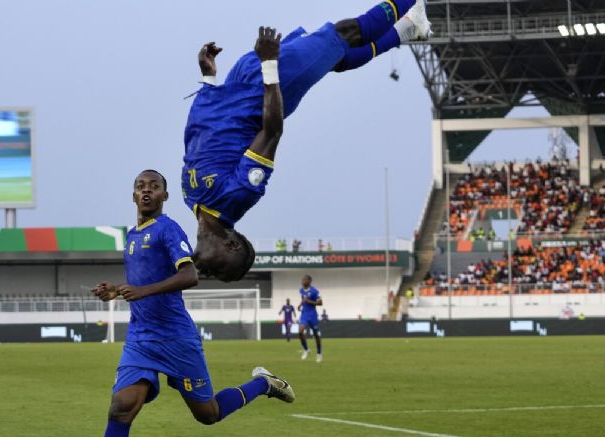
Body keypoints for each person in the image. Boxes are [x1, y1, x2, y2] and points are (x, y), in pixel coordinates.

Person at [183, 2, 431, 282]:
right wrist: (269, 65)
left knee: (332, 56)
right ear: (231, 245)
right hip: (261, 94)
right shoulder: (238, 197)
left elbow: (201, 133)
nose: (206, 272)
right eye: (218, 269)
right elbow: (271, 131)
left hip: (233, 83)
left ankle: (407, 30)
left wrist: (209, 77)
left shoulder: (190, 198)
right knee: (344, 33)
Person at [91, 170, 294, 437]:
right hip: (141, 338)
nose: (146, 191)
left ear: (164, 196)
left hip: (176, 339)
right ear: (133, 195)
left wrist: (141, 292)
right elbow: (143, 280)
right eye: (140, 187)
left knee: (208, 414)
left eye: (154, 187)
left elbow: (189, 276)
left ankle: (264, 384)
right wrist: (117, 290)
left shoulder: (168, 230)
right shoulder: (131, 236)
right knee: (121, 408)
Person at [297, 275, 323, 362]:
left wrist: (309, 301)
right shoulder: (301, 290)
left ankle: (319, 353)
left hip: (312, 315)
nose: (302, 281)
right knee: (300, 331)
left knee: (316, 334)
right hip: (304, 314)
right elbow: (303, 299)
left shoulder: (314, 291)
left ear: (309, 281)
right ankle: (306, 349)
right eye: (302, 279)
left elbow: (320, 303)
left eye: (304, 280)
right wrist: (300, 305)